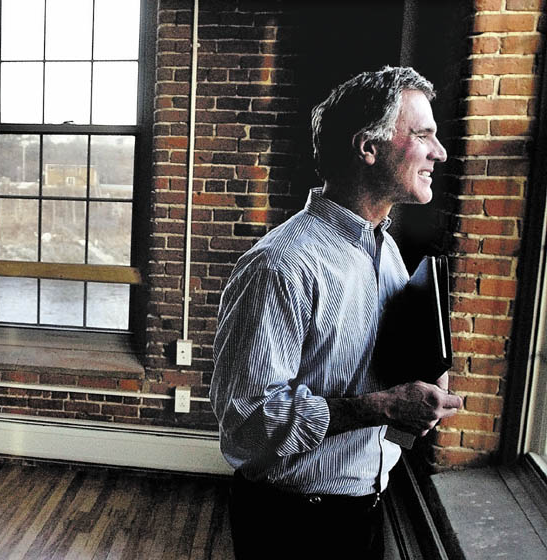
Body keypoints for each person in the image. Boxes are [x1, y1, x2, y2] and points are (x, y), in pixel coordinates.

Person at [209, 66, 464, 559]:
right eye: (423, 136)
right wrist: (386, 408)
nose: (440, 152)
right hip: (292, 526)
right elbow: (247, 422)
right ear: (368, 148)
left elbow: (378, 373)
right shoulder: (280, 265)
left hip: (366, 510)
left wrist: (423, 392)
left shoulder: (386, 250)